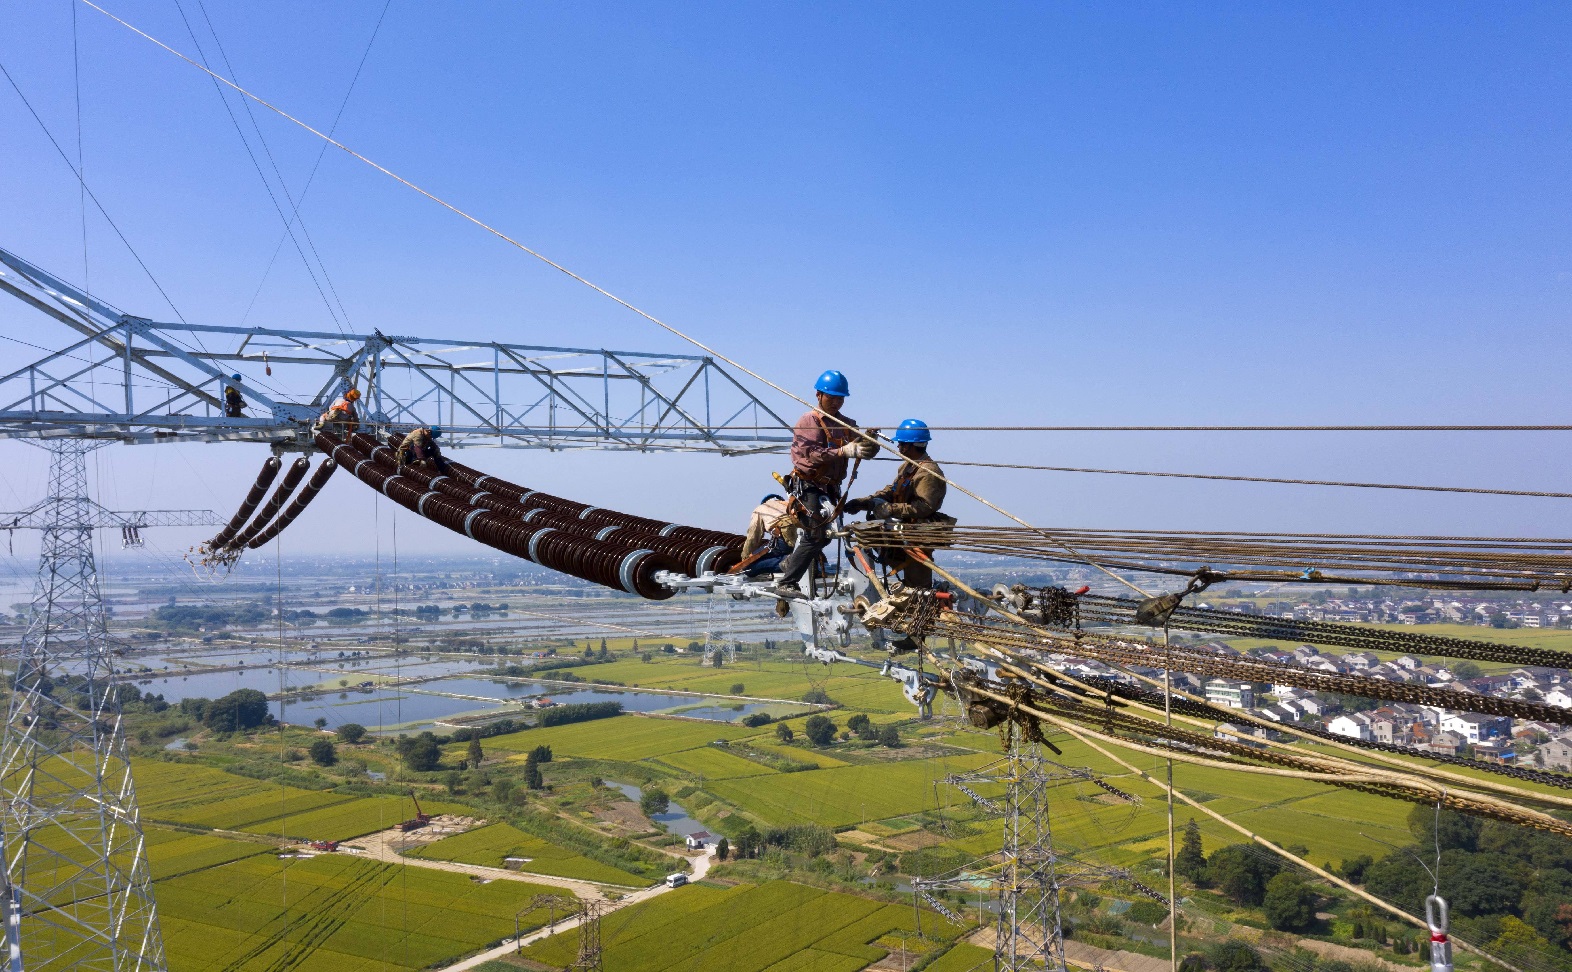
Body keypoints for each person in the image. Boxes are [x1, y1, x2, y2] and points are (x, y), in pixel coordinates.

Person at [770, 370, 876, 599]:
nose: (837, 402)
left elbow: (867, 452)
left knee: (826, 535)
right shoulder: (809, 421)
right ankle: (787, 582)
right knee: (815, 535)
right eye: (832, 397)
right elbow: (811, 454)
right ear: (819, 395)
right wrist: (844, 450)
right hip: (809, 485)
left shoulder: (846, 424)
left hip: (829, 487)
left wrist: (869, 442)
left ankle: (790, 562)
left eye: (840, 398)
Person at [845, 418, 949, 589]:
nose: (899, 447)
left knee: (917, 585)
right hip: (901, 534)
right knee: (905, 578)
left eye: (901, 444)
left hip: (917, 537)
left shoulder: (928, 472)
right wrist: (866, 502)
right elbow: (892, 491)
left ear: (909, 445)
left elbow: (926, 507)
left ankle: (920, 609)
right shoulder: (908, 467)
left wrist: (891, 509)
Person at [738, 494, 791, 576]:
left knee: (749, 568)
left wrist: (745, 560)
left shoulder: (760, 509)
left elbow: (753, 537)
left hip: (786, 536)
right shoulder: (788, 504)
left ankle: (792, 562)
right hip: (805, 536)